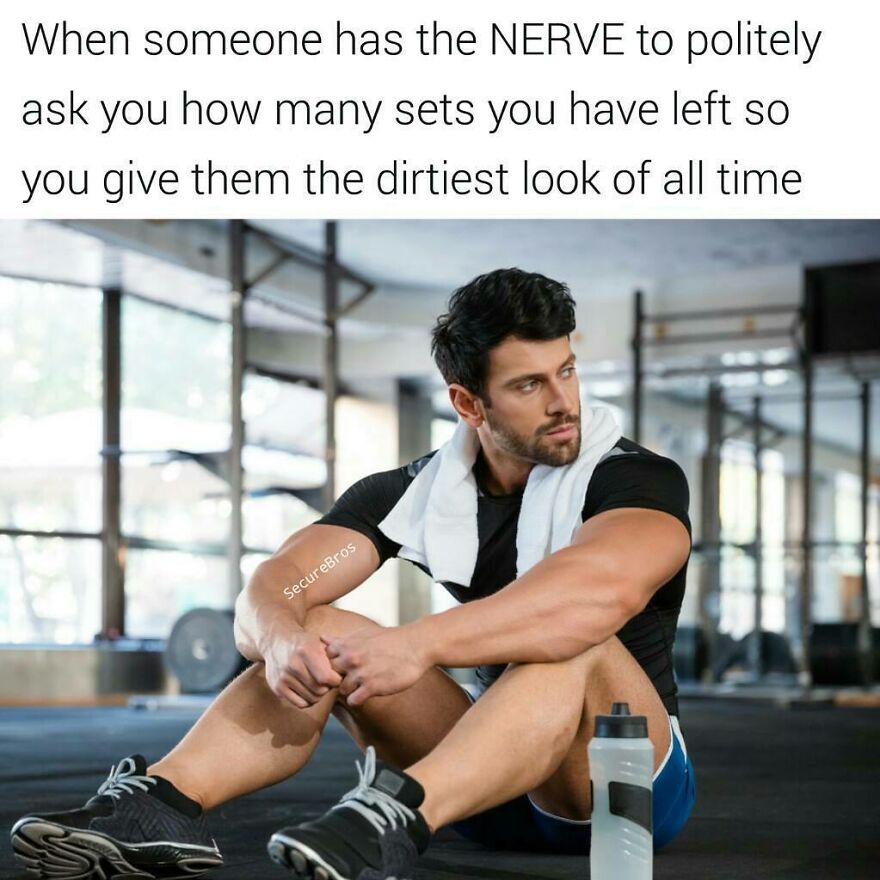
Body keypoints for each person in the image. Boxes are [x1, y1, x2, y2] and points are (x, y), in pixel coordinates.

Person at [11, 268, 695, 880]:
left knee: (575, 641)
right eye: (528, 384)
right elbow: (278, 584)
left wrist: (419, 643)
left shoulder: (637, 481)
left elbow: (593, 596)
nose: (563, 401)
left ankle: (392, 818)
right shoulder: (415, 494)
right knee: (318, 625)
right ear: (468, 404)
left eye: (566, 371)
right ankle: (159, 806)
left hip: (620, 786)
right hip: (489, 785)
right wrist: (281, 640)